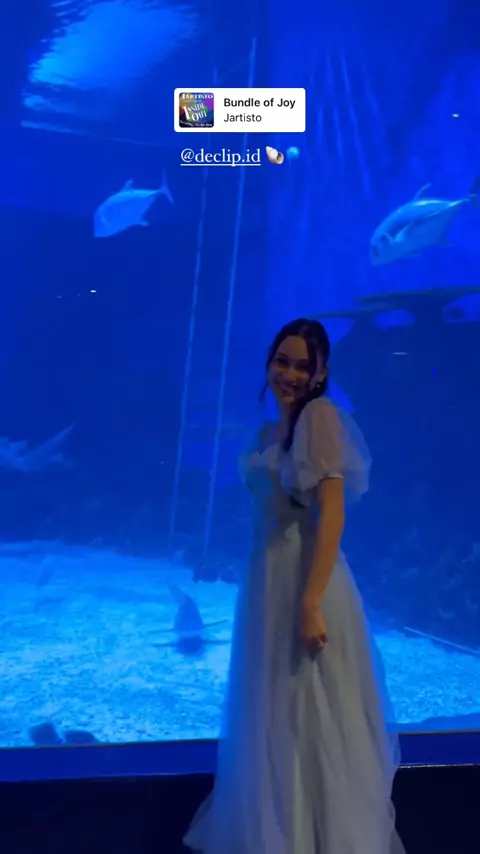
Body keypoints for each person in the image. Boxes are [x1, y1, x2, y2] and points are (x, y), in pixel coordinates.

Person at [184, 318, 406, 854]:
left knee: (311, 710)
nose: (290, 373)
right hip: (266, 582)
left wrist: (310, 602)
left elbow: (332, 515)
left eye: (303, 365)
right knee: (273, 709)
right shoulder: (268, 433)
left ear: (321, 373)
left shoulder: (320, 420)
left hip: (306, 581)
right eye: (282, 361)